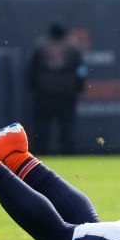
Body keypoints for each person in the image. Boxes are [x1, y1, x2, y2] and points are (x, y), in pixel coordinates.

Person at [27, 22, 87, 154]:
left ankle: (40, 154)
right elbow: (81, 70)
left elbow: (31, 70)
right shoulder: (73, 47)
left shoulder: (40, 46)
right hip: (66, 92)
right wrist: (80, 87)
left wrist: (33, 87)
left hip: (44, 92)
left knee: (42, 127)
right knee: (67, 126)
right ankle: (68, 153)